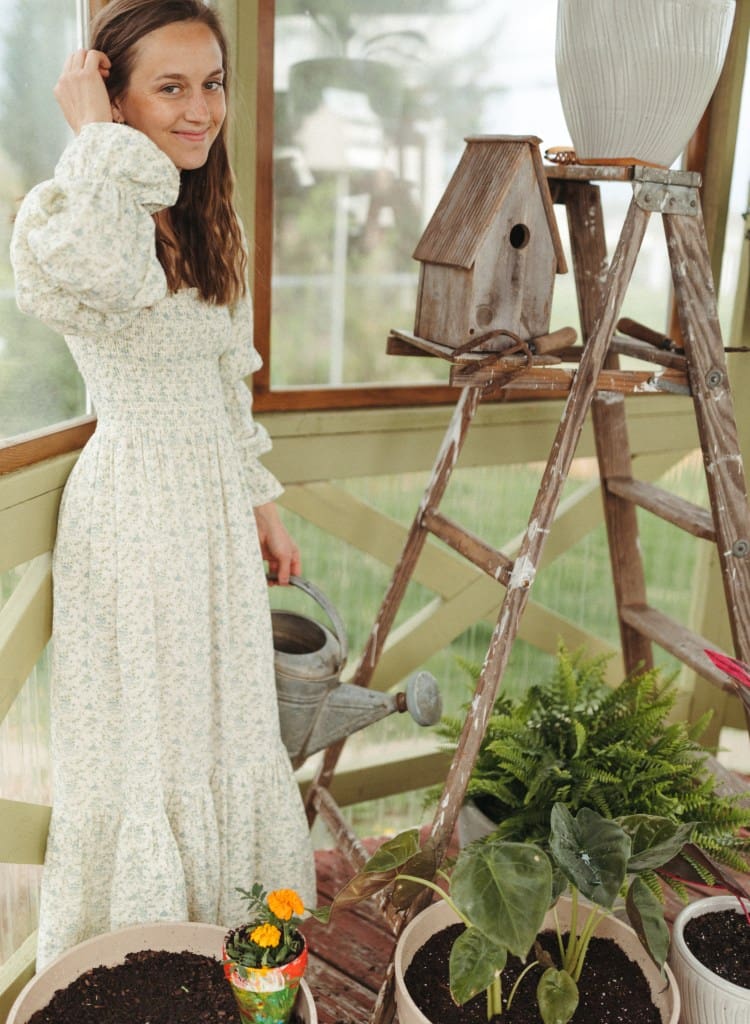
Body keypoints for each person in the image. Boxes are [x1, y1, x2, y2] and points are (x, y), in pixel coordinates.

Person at [10, 0, 315, 968]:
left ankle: (226, 942)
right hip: (134, 512)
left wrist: (259, 498)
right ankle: (141, 961)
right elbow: (102, 274)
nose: (200, 110)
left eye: (212, 83)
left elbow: (226, 373)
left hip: (214, 516)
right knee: (149, 741)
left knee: (224, 726)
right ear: (115, 98)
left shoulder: (210, 217)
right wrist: (94, 142)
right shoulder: (76, 214)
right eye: (170, 88)